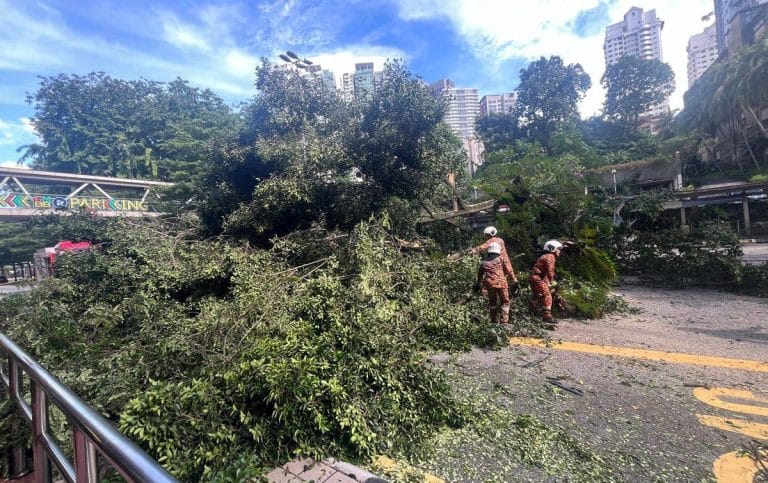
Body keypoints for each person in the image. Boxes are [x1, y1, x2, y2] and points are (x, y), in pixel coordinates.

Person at [469, 226, 520, 295]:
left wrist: (474, 250)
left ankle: (487, 293)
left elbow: (483, 247)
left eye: (486, 235)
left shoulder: (492, 240)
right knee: (507, 276)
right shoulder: (500, 240)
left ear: (489, 234)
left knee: (491, 277)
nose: (486, 236)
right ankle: (513, 287)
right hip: (504, 261)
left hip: (496, 262)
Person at [475, 242, 515, 324]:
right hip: (502, 284)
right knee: (505, 302)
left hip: (490, 285)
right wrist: (514, 280)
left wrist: (478, 283)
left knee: (493, 303)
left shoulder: (484, 262)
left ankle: (493, 322)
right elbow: (509, 270)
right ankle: (504, 322)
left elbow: (480, 274)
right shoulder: (501, 259)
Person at [529, 240, 563, 327]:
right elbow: (550, 271)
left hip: (535, 277)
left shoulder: (545, 256)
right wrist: (552, 282)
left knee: (536, 295)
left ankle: (531, 312)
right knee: (547, 294)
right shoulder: (550, 256)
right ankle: (547, 316)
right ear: (553, 248)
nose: (560, 251)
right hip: (537, 278)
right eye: (559, 249)